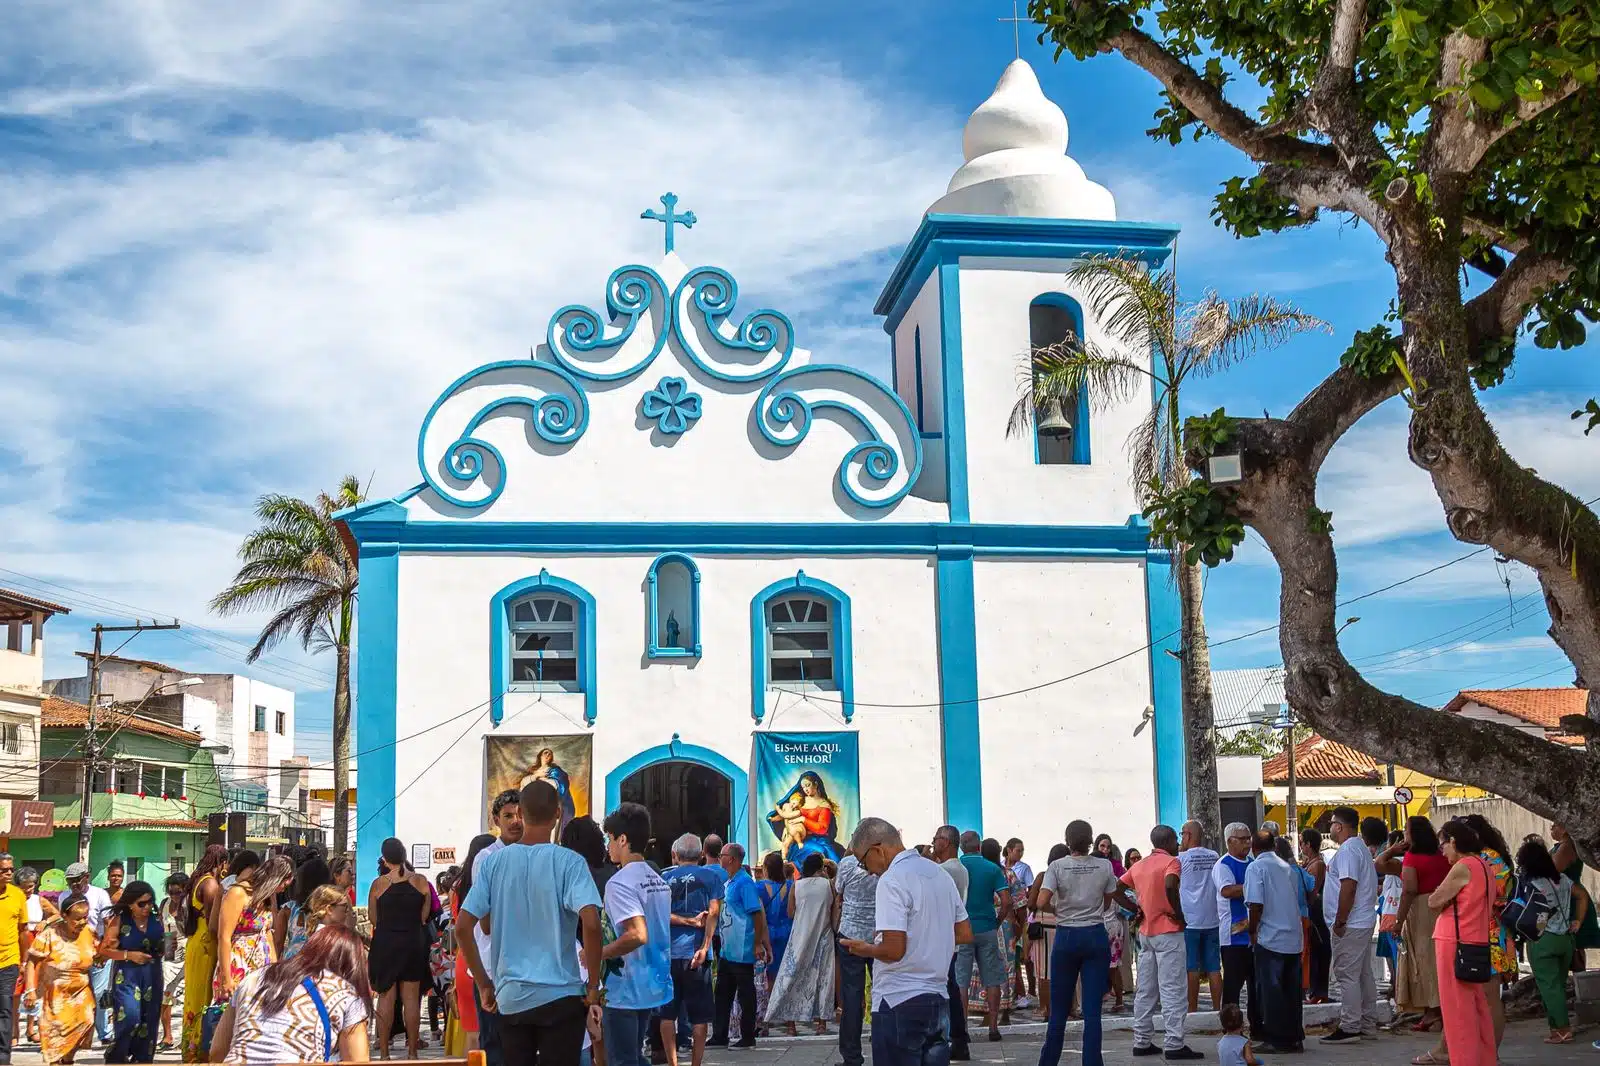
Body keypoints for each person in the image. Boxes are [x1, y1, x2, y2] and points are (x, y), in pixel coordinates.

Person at [458, 779, 605, 1066]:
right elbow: (592, 923)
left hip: (512, 996)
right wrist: (593, 985)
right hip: (562, 995)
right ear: (558, 814)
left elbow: (463, 927)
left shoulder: (493, 863)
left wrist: (485, 984)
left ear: (521, 814)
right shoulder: (570, 862)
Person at [840, 818, 971, 1066]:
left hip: (898, 1000)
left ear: (877, 850)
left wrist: (866, 949)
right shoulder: (939, 874)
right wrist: (927, 938)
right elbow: (964, 933)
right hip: (938, 998)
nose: (867, 871)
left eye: (863, 862)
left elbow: (893, 950)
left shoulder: (891, 880)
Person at [209, 924, 372, 1062]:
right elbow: (358, 1061)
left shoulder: (254, 978)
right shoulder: (347, 994)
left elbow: (217, 1051)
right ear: (353, 966)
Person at [1035, 819, 1119, 1066]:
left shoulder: (1057, 866)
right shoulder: (1104, 865)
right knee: (1093, 1011)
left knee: (1059, 1009)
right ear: (1091, 841)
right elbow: (1108, 900)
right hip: (1095, 934)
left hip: (1066, 935)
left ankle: (1048, 1061)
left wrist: (1058, 909)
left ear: (1067, 841)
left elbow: (1040, 902)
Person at [598, 803, 672, 1066]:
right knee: (635, 1056)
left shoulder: (620, 883)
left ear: (622, 839)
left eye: (610, 839)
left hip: (624, 988)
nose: (608, 846)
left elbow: (637, 934)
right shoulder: (657, 880)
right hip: (652, 981)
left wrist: (598, 954)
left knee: (622, 1059)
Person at [1121, 825, 1199, 1060]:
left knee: (1146, 990)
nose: (1178, 844)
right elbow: (1170, 884)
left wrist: (1136, 909)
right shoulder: (1172, 862)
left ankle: (1142, 1040)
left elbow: (1116, 889)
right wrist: (1179, 914)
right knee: (1173, 989)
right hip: (1169, 933)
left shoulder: (1139, 865)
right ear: (1168, 842)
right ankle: (1174, 1043)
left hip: (1146, 933)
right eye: (1176, 839)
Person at [1426, 819, 1495, 1066]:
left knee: (1456, 1009)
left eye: (1443, 845)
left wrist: (1440, 894)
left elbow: (1434, 901)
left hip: (1453, 940)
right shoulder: (1484, 865)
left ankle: (1464, 1060)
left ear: (1453, 841)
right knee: (1477, 1005)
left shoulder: (1463, 866)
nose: (1442, 851)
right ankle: (1484, 1059)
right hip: (1476, 939)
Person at [472, 787, 526, 1066]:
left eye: (520, 815)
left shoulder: (534, 854)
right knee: (494, 1045)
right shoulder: (487, 858)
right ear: (496, 820)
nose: (516, 821)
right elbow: (486, 921)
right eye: (508, 816)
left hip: (527, 967)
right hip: (494, 967)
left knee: (522, 1047)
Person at [1514, 839, 1587, 1045]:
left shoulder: (1530, 884)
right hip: (1565, 940)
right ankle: (1555, 1029)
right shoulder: (1562, 879)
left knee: (1549, 988)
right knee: (1557, 987)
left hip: (1542, 940)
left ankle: (1563, 1030)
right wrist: (1578, 921)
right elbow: (1583, 896)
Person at [367, 838, 433, 1060]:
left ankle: (385, 1054)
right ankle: (412, 1053)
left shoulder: (378, 884)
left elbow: (373, 919)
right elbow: (424, 917)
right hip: (413, 942)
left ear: (385, 859)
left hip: (386, 943)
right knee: (411, 1000)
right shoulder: (421, 881)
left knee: (386, 998)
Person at [659, 835, 721, 1066]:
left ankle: (672, 1063)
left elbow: (659, 915)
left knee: (667, 1014)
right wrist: (705, 946)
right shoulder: (711, 877)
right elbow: (714, 912)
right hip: (697, 953)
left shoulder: (664, 878)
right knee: (699, 1017)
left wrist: (683, 921)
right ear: (701, 854)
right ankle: (696, 1063)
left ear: (674, 855)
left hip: (669, 954)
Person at [1318, 807, 1378, 1043]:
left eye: (1332, 823)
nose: (1330, 827)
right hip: (1360, 921)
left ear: (1339, 826)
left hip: (1351, 923)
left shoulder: (1349, 850)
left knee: (1347, 975)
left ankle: (1351, 1025)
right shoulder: (1358, 848)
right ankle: (1367, 1022)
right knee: (1362, 974)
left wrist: (1340, 920)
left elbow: (1348, 887)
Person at [1384, 817, 1447, 1033]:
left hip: (1420, 911)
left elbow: (1409, 890)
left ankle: (1432, 1012)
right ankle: (1437, 1010)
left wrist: (1398, 921)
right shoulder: (1441, 855)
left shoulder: (1412, 857)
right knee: (1436, 961)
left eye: (1406, 830)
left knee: (1421, 962)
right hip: (1441, 908)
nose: (1404, 834)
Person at [1244, 829, 1305, 1054]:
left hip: (1270, 937)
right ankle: (1294, 1037)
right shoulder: (1287, 868)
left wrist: (1252, 930)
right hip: (1293, 937)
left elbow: (1255, 904)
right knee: (1292, 992)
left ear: (1254, 848)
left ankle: (1276, 1039)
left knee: (1271, 991)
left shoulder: (1256, 867)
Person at [21, 893, 97, 1066]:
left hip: (81, 993)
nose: (82, 922)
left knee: (86, 1023)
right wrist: (30, 990)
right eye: (77, 918)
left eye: (85, 917)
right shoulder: (49, 935)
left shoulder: (89, 933)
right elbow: (32, 963)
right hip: (55, 995)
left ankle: (68, 1059)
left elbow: (100, 953)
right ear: (64, 916)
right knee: (55, 1036)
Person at [765, 853, 835, 1036]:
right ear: (821, 868)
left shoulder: (797, 885)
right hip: (824, 936)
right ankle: (821, 1024)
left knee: (792, 976)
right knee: (823, 978)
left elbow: (790, 912)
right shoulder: (828, 885)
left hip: (800, 935)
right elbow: (834, 910)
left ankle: (791, 1025)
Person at [709, 844, 770, 1049]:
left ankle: (747, 1035)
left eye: (722, 855)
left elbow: (756, 913)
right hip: (727, 949)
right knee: (722, 993)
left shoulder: (745, 883)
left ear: (732, 859)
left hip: (742, 948)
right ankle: (719, 1035)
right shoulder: (730, 882)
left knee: (745, 993)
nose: (720, 858)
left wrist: (757, 943)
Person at [98, 879, 161, 1064]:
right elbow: (104, 951)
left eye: (150, 902)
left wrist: (167, 946)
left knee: (149, 1022)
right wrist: (129, 955)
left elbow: (160, 947)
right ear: (130, 904)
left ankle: (142, 1060)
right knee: (130, 1018)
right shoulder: (120, 920)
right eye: (142, 903)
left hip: (152, 975)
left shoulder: (156, 919)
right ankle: (117, 1054)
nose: (147, 907)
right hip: (127, 976)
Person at [213, 855, 290, 1006]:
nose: (283, 889)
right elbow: (224, 937)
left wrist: (273, 968)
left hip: (261, 968)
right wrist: (226, 978)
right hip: (238, 965)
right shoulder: (238, 893)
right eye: (283, 883)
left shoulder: (267, 897)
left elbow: (268, 933)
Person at [955, 831, 1010, 1043]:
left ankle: (963, 1028)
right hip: (987, 927)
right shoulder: (992, 868)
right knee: (992, 978)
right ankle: (993, 1028)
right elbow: (1006, 901)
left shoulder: (955, 868)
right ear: (979, 846)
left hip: (962, 929)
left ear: (961, 847)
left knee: (961, 980)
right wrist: (997, 922)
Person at [180, 844, 228, 1061]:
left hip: (195, 942)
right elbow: (213, 922)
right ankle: (199, 1049)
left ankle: (191, 1049)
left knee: (194, 997)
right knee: (204, 998)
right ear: (222, 862)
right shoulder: (210, 884)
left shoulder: (198, 880)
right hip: (206, 944)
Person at [452, 833, 498, 1052]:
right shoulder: (486, 884)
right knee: (486, 1031)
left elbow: (457, 922)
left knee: (472, 1029)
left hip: (466, 955)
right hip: (483, 956)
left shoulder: (459, 887)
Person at [832, 846, 876, 1066]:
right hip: (878, 935)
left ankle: (851, 1055)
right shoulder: (884, 864)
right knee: (882, 991)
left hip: (850, 934)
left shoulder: (847, 863)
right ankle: (883, 1046)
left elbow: (838, 889)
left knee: (851, 995)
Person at [929, 826, 970, 1061]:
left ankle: (950, 1037)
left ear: (946, 842)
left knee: (944, 991)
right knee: (950, 988)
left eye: (936, 838)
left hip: (940, 938)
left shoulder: (943, 870)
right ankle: (958, 1038)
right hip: (950, 937)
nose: (933, 842)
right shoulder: (959, 869)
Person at [1211, 823, 1255, 1037]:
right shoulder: (1223, 865)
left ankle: (1257, 1025)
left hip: (1254, 935)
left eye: (1249, 838)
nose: (1248, 843)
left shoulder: (1253, 863)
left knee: (1256, 986)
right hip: (1233, 936)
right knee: (1233, 987)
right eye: (1242, 839)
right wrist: (1253, 887)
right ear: (1230, 841)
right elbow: (1227, 890)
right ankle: (1230, 1028)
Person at [1176, 821, 1221, 1014]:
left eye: (1182, 834)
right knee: (1214, 967)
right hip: (1212, 918)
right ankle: (1217, 1008)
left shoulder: (1181, 859)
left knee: (1192, 967)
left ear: (1188, 835)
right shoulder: (1214, 856)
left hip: (1190, 920)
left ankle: (1192, 1009)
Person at [1026, 844, 1067, 1024]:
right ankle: (1068, 1007)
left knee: (1043, 972)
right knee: (1065, 970)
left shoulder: (1043, 876)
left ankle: (1045, 1008)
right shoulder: (1069, 876)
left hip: (1044, 927)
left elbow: (1032, 903)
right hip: (1065, 925)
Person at [1551, 821, 1600, 968]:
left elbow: (1553, 869)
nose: (1552, 828)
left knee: (1575, 944)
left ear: (1565, 828)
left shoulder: (1567, 846)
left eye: (1555, 825)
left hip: (1573, 899)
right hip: (1567, 897)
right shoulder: (1562, 846)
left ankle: (1579, 978)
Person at [0, 852, 30, 1064]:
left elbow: (23, 931)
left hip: (9, 960)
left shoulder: (18, 895)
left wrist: (24, 961)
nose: (9, 873)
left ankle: (3, 1057)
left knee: (5, 1008)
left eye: (11, 869)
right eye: (4, 870)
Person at [273, 855, 331, 963]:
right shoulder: (330, 909)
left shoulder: (288, 909)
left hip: (292, 964)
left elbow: (277, 943)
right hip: (319, 963)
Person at [17, 867, 48, 1047]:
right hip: (16, 943)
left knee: (33, 986)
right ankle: (14, 1030)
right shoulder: (14, 899)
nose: (28, 890)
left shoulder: (39, 900)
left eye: (31, 886)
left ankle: (30, 1028)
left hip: (35, 944)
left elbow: (58, 915)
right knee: (16, 989)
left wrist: (45, 921)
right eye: (24, 886)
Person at [157, 874, 188, 1052]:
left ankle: (188, 1036)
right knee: (166, 995)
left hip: (188, 950)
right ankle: (167, 1036)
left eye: (178, 892)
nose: (175, 895)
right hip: (170, 952)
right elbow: (162, 927)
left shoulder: (189, 905)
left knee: (188, 996)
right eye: (171, 892)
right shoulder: (164, 904)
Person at [1298, 829, 1330, 1003]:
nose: (1300, 846)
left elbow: (1313, 891)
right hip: (1310, 910)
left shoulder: (1317, 864)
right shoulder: (1309, 863)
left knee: (1318, 951)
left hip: (1315, 911)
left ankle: (1318, 991)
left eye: (1302, 843)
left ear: (1308, 844)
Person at [1001, 840, 1034, 1004]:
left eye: (1022, 850)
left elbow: (1030, 890)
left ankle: (1023, 992)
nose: (1020, 854)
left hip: (1016, 915)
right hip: (1006, 916)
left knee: (1018, 955)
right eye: (1018, 850)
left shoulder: (1024, 868)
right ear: (1009, 850)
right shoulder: (1000, 867)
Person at [521, 748, 578, 839]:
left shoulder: (556, 771)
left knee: (552, 835)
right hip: (535, 805)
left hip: (550, 804)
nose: (548, 755)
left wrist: (540, 780)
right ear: (540, 756)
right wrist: (536, 776)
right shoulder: (534, 772)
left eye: (550, 754)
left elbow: (558, 785)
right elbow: (523, 783)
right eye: (545, 753)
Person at [755, 853, 792, 997]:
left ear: (766, 868)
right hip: (787, 932)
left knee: (767, 972)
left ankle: (770, 1003)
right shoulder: (790, 886)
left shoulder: (758, 887)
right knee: (785, 971)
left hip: (766, 933)